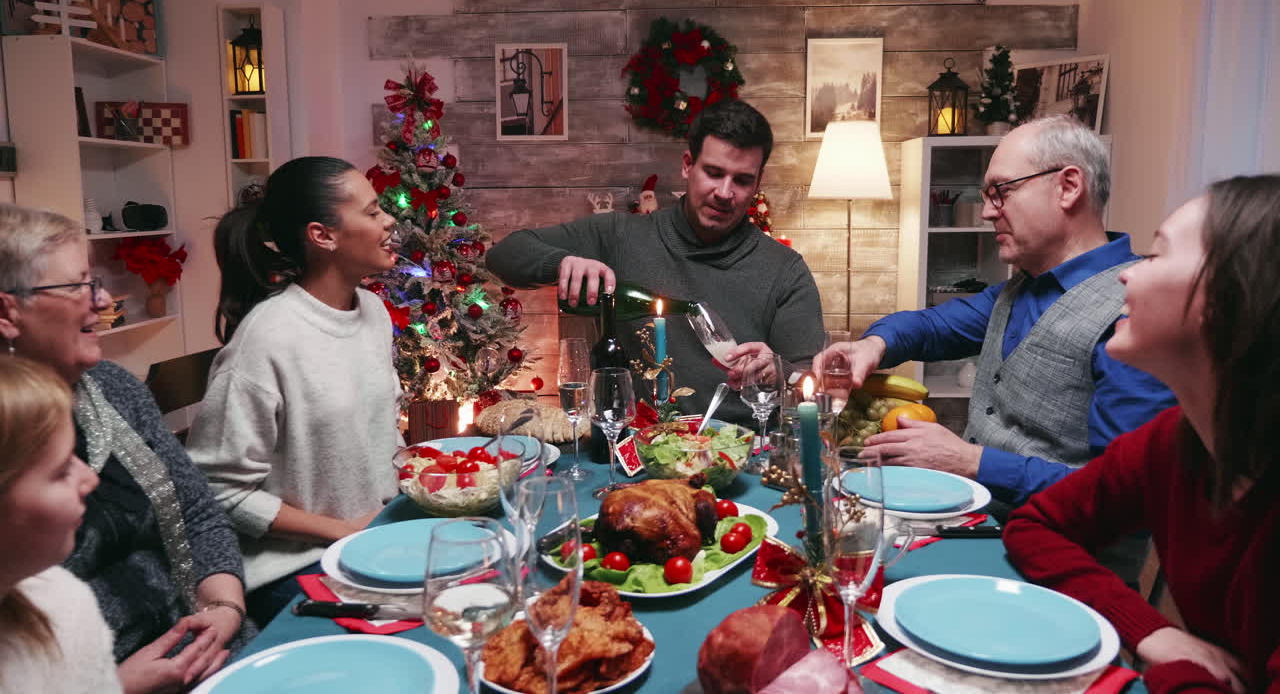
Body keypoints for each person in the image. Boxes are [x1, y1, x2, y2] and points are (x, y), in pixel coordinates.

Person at [813, 115, 1176, 581]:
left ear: (1068, 187)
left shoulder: (1136, 315)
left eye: (1001, 191)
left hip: (1066, 575)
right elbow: (931, 326)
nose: (987, 211)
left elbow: (1126, 500)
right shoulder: (1021, 288)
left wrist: (972, 461)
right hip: (982, 536)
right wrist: (872, 344)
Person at [1005, 175, 1280, 694]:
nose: (1126, 277)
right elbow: (1036, 526)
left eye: (1155, 256)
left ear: (1232, 295)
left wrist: (1174, 673)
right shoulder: (1172, 443)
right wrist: (1153, 632)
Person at [0, 205, 249, 689]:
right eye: (78, 285)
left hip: (205, 646)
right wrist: (117, 683)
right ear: (8, 312)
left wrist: (224, 609)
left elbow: (198, 513)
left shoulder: (113, 387)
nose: (103, 299)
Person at [486, 99, 825, 425]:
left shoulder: (784, 270)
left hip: (743, 451)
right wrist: (560, 263)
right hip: (635, 446)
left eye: (742, 180)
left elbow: (809, 379)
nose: (724, 192)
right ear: (687, 165)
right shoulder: (620, 236)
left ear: (758, 183)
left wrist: (779, 370)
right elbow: (503, 255)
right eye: (713, 172)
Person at [186, 156, 402, 627]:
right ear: (322, 236)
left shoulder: (373, 311)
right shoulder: (267, 338)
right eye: (371, 212)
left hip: (372, 541)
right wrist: (343, 531)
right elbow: (216, 489)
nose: (389, 221)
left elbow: (379, 432)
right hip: (295, 567)